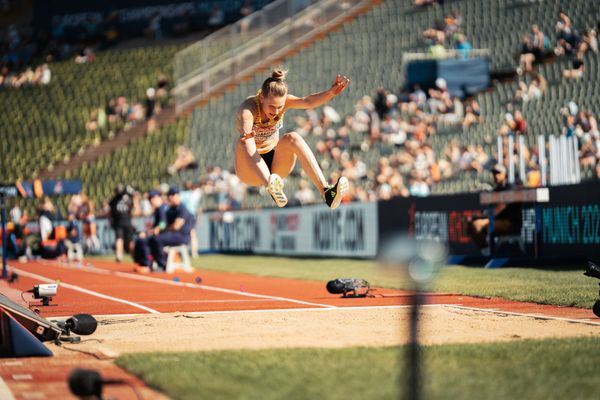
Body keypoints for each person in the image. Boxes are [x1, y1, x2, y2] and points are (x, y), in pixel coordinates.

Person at [235, 69, 350, 209]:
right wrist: (247, 132)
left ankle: (327, 193)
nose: (276, 112)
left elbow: (307, 101)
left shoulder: (285, 102)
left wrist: (330, 93)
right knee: (244, 142)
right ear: (261, 98)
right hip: (250, 170)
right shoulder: (249, 107)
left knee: (293, 137)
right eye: (271, 106)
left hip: (277, 165)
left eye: (280, 107)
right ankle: (270, 185)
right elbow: (246, 119)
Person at [468, 164, 522, 251]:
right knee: (471, 224)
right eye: (494, 173)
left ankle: (488, 251)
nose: (495, 176)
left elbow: (499, 208)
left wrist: (481, 217)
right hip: (497, 220)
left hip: (510, 223)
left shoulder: (510, 188)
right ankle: (486, 249)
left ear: (505, 174)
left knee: (477, 224)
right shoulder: (496, 189)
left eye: (498, 173)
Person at [149, 187, 195, 271]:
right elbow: (164, 223)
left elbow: (176, 226)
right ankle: (154, 262)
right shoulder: (170, 209)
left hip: (181, 236)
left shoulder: (182, 208)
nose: (171, 197)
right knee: (152, 238)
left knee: (157, 239)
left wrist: (163, 230)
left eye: (173, 195)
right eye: (170, 195)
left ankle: (162, 265)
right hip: (173, 234)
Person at [134, 191, 167, 268]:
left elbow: (163, 224)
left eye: (154, 198)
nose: (151, 201)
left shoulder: (161, 209)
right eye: (150, 199)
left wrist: (152, 231)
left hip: (162, 235)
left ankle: (147, 264)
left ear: (159, 198)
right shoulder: (156, 210)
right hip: (157, 234)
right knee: (139, 239)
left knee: (143, 241)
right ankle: (143, 263)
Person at [109, 184, 135, 262]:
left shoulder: (114, 200)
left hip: (118, 222)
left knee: (119, 238)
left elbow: (110, 211)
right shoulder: (128, 199)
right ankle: (134, 255)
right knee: (130, 240)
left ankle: (119, 255)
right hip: (127, 221)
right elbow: (132, 211)